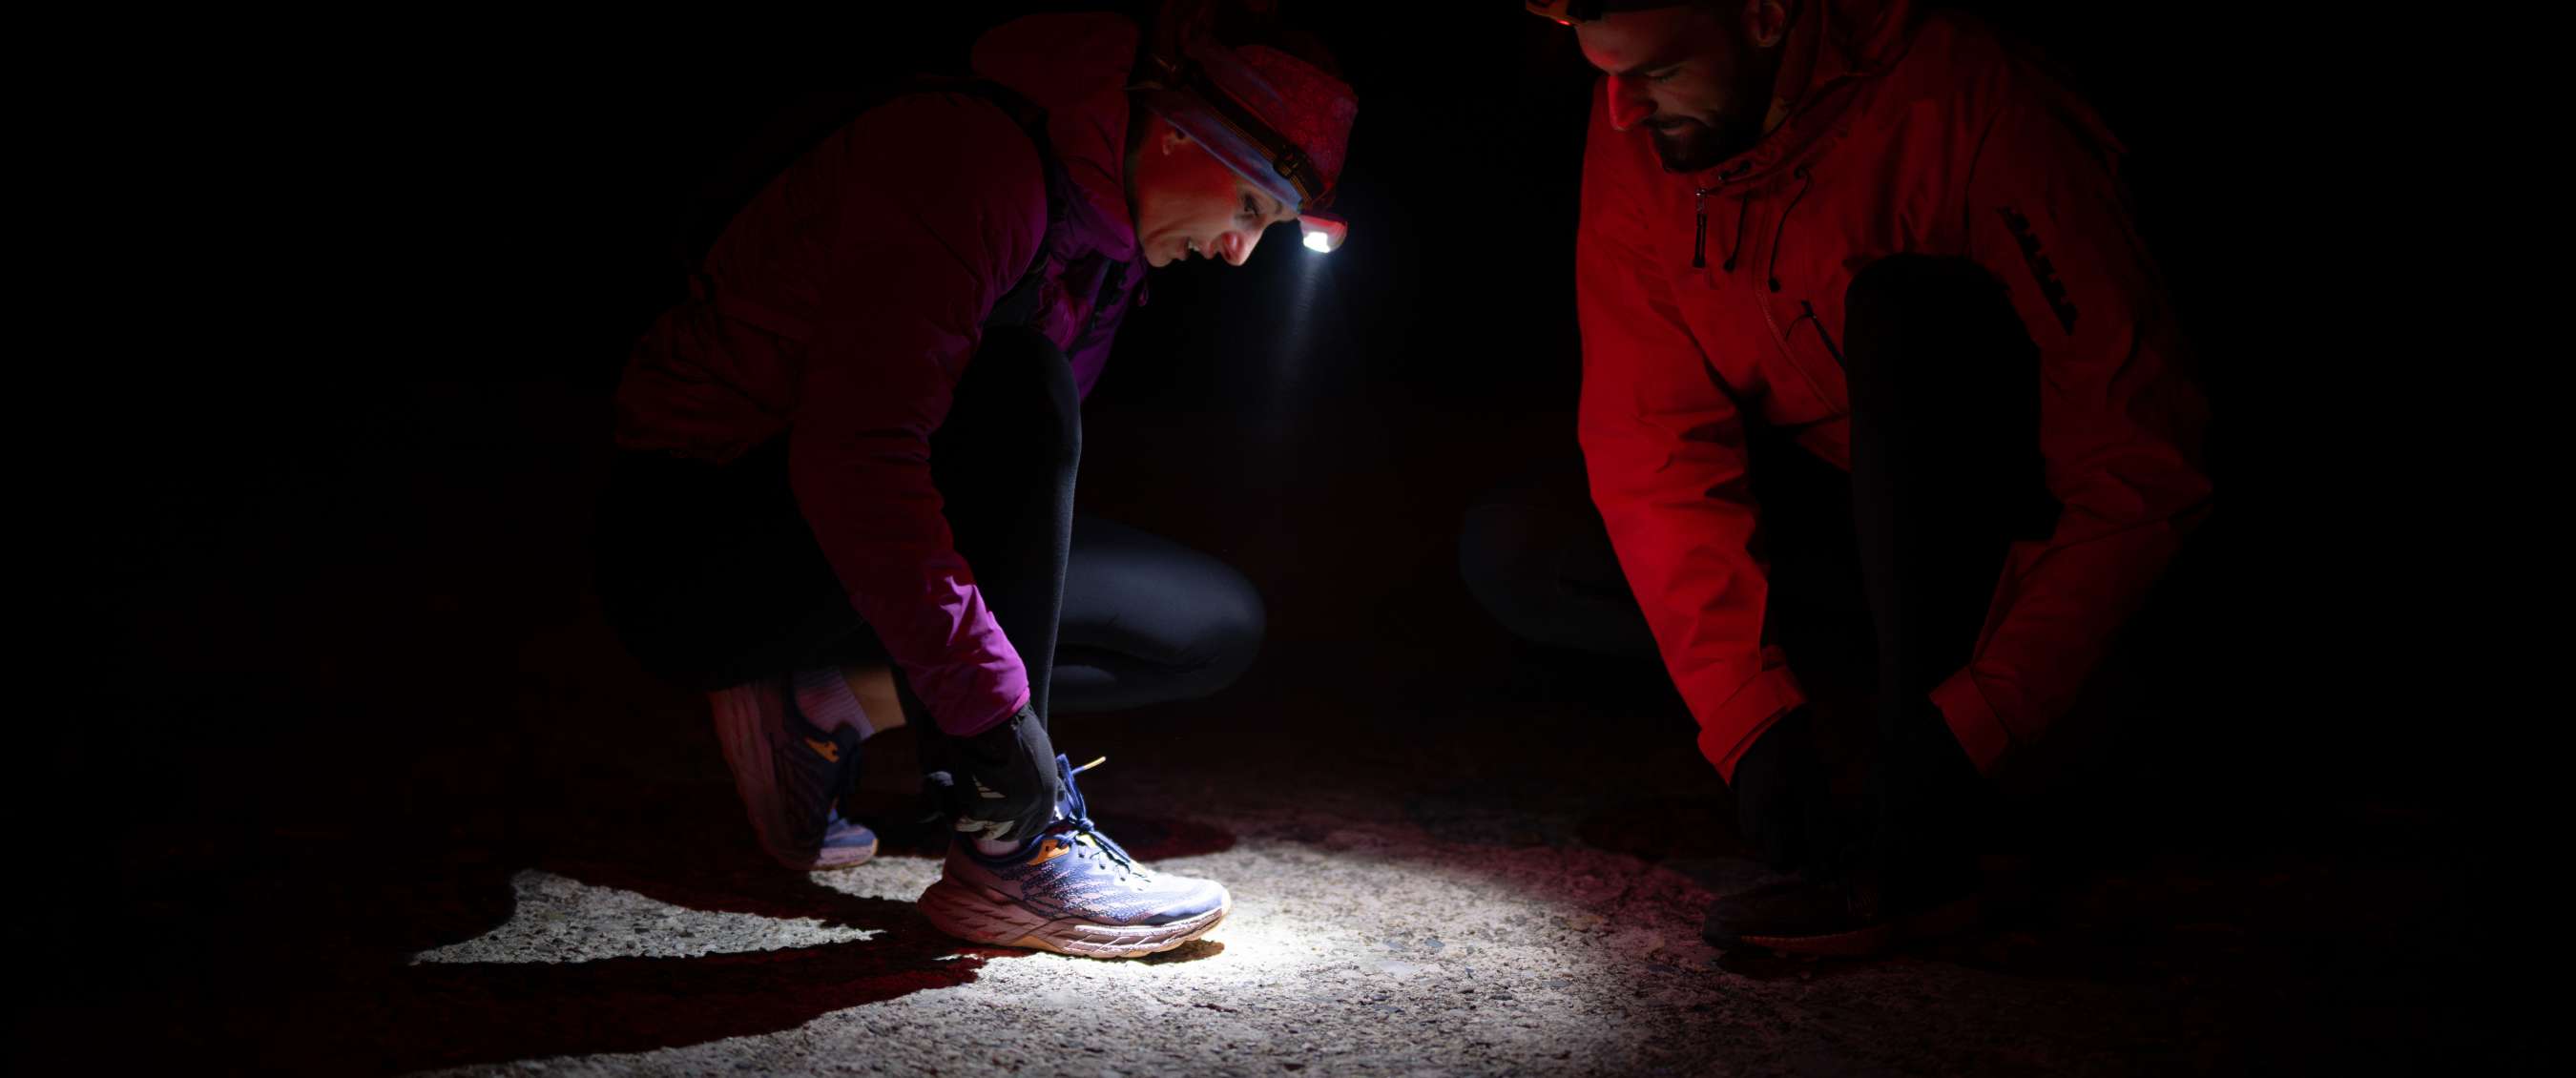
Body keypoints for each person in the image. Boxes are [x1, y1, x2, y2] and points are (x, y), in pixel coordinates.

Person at [594, 2, 1358, 959]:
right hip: (699, 545)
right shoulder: (977, 161)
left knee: (1204, 627)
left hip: (837, 539)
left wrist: (985, 686)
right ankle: (1012, 853)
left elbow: (994, 499)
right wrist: (995, 725)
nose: (1240, 251)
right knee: (1019, 384)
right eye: (1249, 206)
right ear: (1176, 130)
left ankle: (818, 703)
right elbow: (860, 458)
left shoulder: (1102, 245)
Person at [1481, 0, 2210, 954]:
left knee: (1905, 315)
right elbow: (1648, 432)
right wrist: (1748, 720)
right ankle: (1841, 750)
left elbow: (2141, 458)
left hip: (2009, 537)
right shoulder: (1646, 121)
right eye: (1607, 78)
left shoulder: (1967, 100)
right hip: (1850, 519)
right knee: (1527, 550)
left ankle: (1932, 832)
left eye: (1656, 73)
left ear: (1765, 15)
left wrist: (1982, 719)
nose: (1622, 111)